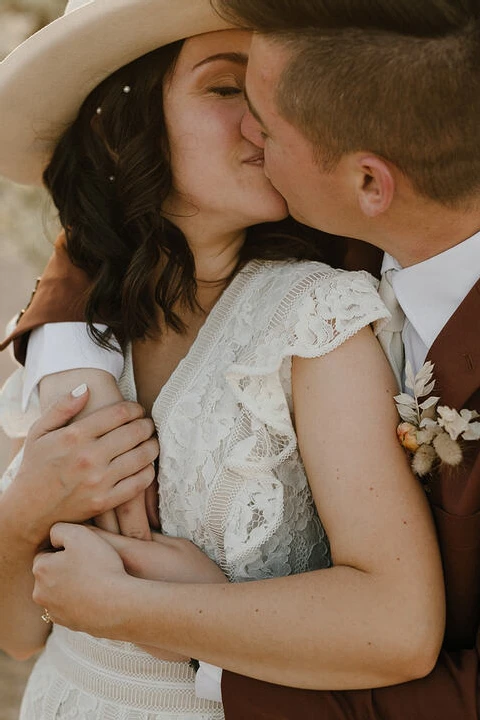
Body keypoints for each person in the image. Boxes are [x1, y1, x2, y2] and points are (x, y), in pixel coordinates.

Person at [0, 0, 445, 719]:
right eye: (226, 87)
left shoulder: (314, 320)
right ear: (122, 123)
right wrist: (20, 516)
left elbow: (400, 626)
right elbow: (21, 635)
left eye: (277, 88)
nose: (265, 119)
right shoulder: (84, 327)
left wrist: (132, 608)